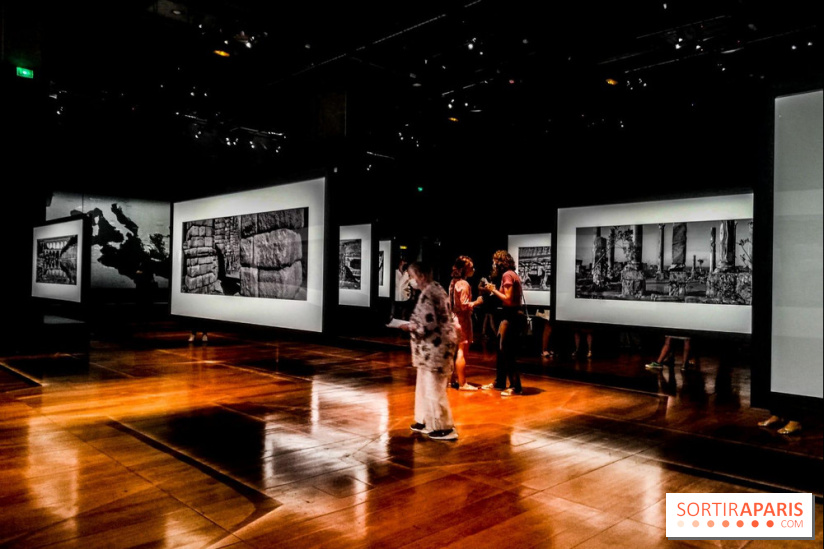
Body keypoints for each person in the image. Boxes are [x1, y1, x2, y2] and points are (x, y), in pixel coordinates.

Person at [399, 261, 459, 440]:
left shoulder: (430, 293)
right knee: (425, 386)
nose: (411, 280)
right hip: (431, 350)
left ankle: (443, 426)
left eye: (412, 276)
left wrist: (408, 326)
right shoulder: (434, 290)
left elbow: (427, 324)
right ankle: (425, 419)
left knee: (434, 388)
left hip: (435, 349)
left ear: (421, 276)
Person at [480, 250, 526, 396]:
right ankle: (500, 382)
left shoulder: (507, 275)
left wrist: (493, 290)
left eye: (495, 261)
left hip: (511, 316)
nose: (494, 264)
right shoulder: (512, 274)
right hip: (511, 315)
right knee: (502, 349)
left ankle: (515, 386)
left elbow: (508, 298)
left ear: (500, 261)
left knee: (507, 350)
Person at [448, 255, 483, 390]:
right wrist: (477, 302)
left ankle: (451, 380)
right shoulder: (464, 284)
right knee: (462, 350)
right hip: (461, 320)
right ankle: (463, 383)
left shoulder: (453, 282)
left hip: (452, 318)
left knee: (454, 351)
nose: (473, 269)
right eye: (470, 267)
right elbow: (464, 305)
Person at [393, 256, 413, 321]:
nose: (405, 263)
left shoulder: (405, 273)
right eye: (404, 262)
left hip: (405, 298)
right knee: (397, 316)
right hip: (398, 299)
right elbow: (399, 286)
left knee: (404, 316)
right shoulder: (395, 272)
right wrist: (406, 274)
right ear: (400, 262)